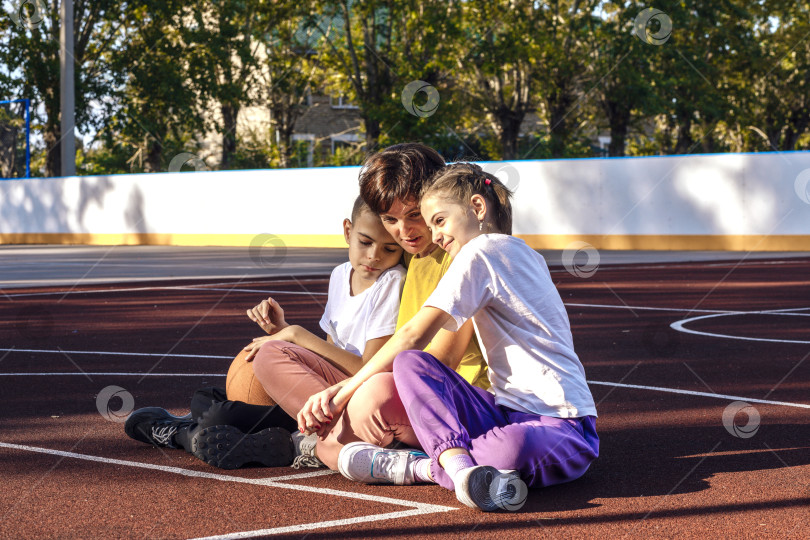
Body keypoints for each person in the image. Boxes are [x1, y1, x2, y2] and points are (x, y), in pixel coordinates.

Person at [297, 163, 599, 512]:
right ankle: (460, 468)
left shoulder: (483, 251)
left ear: (478, 207)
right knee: (412, 365)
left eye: (439, 220)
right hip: (504, 411)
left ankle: (421, 467)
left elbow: (413, 333)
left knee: (508, 450)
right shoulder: (522, 252)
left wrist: (344, 389)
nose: (435, 235)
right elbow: (416, 350)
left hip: (565, 424)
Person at [123, 196, 406, 469]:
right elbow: (332, 353)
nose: (374, 256)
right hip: (327, 393)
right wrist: (281, 330)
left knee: (226, 407)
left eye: (390, 249)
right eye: (365, 242)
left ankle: (181, 433)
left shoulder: (392, 281)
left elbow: (366, 367)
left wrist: (294, 335)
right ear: (347, 230)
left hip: (354, 396)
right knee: (206, 398)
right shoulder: (340, 274)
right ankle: (207, 430)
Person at [258, 143, 491, 472]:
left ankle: (334, 444)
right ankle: (334, 439)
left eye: (414, 215)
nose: (404, 231)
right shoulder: (408, 253)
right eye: (390, 219)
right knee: (272, 354)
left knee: (375, 392)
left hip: (448, 400)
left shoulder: (459, 256)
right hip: (392, 386)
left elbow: (436, 364)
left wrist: (345, 389)